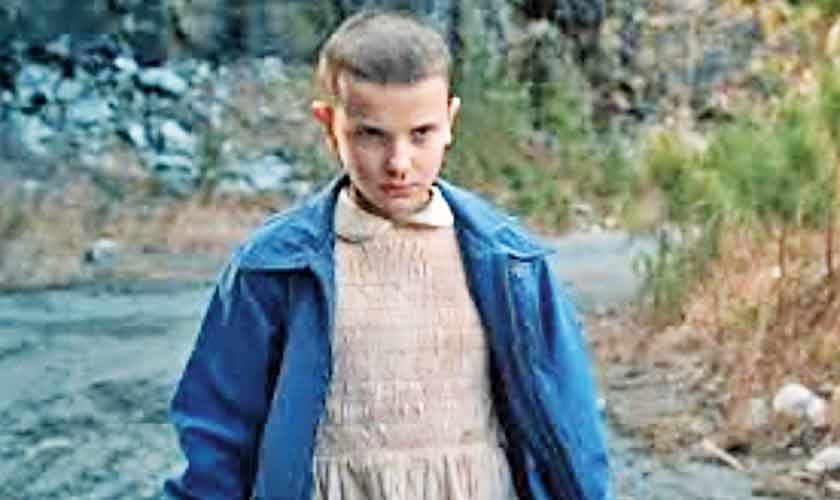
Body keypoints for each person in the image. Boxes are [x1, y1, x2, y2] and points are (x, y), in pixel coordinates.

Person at [164, 9, 610, 500]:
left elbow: (570, 423)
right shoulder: (273, 266)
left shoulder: (510, 261)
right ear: (329, 125)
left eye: (421, 134)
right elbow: (219, 435)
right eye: (371, 134)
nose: (399, 163)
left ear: (450, 122)